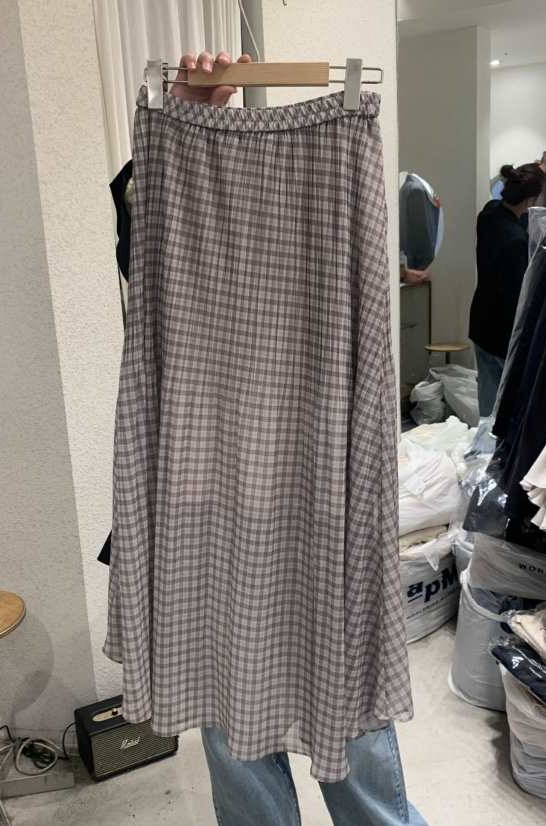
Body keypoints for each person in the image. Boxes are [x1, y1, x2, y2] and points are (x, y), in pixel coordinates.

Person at [165, 51, 428, 826]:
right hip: (211, 480)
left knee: (348, 701)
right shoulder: (172, 182)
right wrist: (186, 121)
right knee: (228, 692)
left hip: (323, 476)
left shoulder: (337, 161)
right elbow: (138, 258)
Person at [469, 153, 546, 417]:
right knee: (501, 409)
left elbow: (511, 210)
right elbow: (516, 299)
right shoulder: (517, 242)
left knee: (487, 402)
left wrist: (542, 169)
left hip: (481, 322)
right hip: (502, 334)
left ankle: (484, 439)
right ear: (531, 200)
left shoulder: (488, 215)